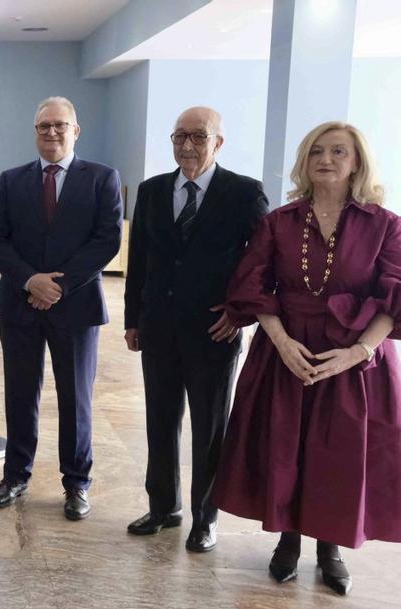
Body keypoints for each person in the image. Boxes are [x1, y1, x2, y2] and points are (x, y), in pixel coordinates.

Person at [213, 121, 401, 596]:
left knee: (339, 454)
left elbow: (394, 296)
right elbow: (254, 285)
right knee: (285, 446)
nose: (327, 159)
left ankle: (330, 548)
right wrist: (279, 340)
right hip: (287, 349)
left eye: (339, 151)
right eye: (317, 150)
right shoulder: (279, 221)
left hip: (354, 358)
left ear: (356, 161)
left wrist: (358, 352)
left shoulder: (385, 224)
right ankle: (288, 542)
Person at [122, 107, 268, 552]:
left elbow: (263, 261)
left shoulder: (244, 193)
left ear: (218, 142)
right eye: (179, 136)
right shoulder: (151, 192)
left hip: (214, 332)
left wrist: (240, 312)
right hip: (159, 330)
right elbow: (140, 260)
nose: (187, 145)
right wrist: (133, 319)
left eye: (198, 137)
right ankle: (164, 507)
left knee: (209, 430)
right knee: (160, 423)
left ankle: (206, 518)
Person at [0, 96, 121, 521]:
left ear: (75, 130)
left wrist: (57, 286)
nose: (52, 132)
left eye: (60, 125)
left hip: (75, 306)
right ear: (35, 131)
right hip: (20, 304)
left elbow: (107, 239)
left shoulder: (102, 178)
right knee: (20, 394)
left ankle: (77, 483)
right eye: (44, 126)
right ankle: (15, 474)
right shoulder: (11, 179)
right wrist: (30, 280)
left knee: (75, 397)